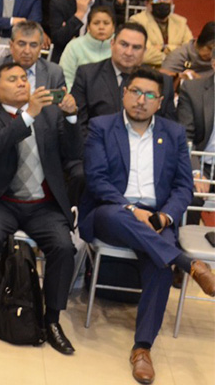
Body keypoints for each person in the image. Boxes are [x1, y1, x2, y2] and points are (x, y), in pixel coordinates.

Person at [80, 68, 215, 384]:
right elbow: (97, 180)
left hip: (157, 217)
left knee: (160, 266)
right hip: (111, 212)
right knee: (119, 217)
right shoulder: (101, 127)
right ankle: (190, 264)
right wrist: (131, 209)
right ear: (124, 93)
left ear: (160, 101)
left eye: (150, 95)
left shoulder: (173, 133)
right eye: (136, 92)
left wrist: (166, 217)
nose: (141, 100)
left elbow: (183, 186)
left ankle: (142, 349)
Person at [0, 62, 81, 355]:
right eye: (12, 79)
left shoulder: (50, 113)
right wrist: (27, 116)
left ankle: (52, 320)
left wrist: (72, 116)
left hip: (43, 205)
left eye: (24, 78)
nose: (22, 83)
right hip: (2, 202)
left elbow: (74, 152)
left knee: (64, 247)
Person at [72, 23, 177, 135]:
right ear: (112, 44)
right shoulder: (88, 75)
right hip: (99, 146)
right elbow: (78, 125)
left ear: (145, 51)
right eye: (124, 45)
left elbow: (169, 130)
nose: (129, 53)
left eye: (136, 47)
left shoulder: (162, 82)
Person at [46, 0, 111, 60]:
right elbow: (58, 39)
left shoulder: (106, 6)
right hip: (65, 57)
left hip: (96, 58)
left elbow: (108, 39)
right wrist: (79, 14)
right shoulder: (58, 4)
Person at [128, 0, 191, 68]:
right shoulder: (136, 21)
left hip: (177, 73)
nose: (162, 2)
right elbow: (143, 55)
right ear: (147, 4)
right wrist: (176, 51)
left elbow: (190, 51)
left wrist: (163, 48)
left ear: (171, 1)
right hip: (147, 73)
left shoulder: (180, 22)